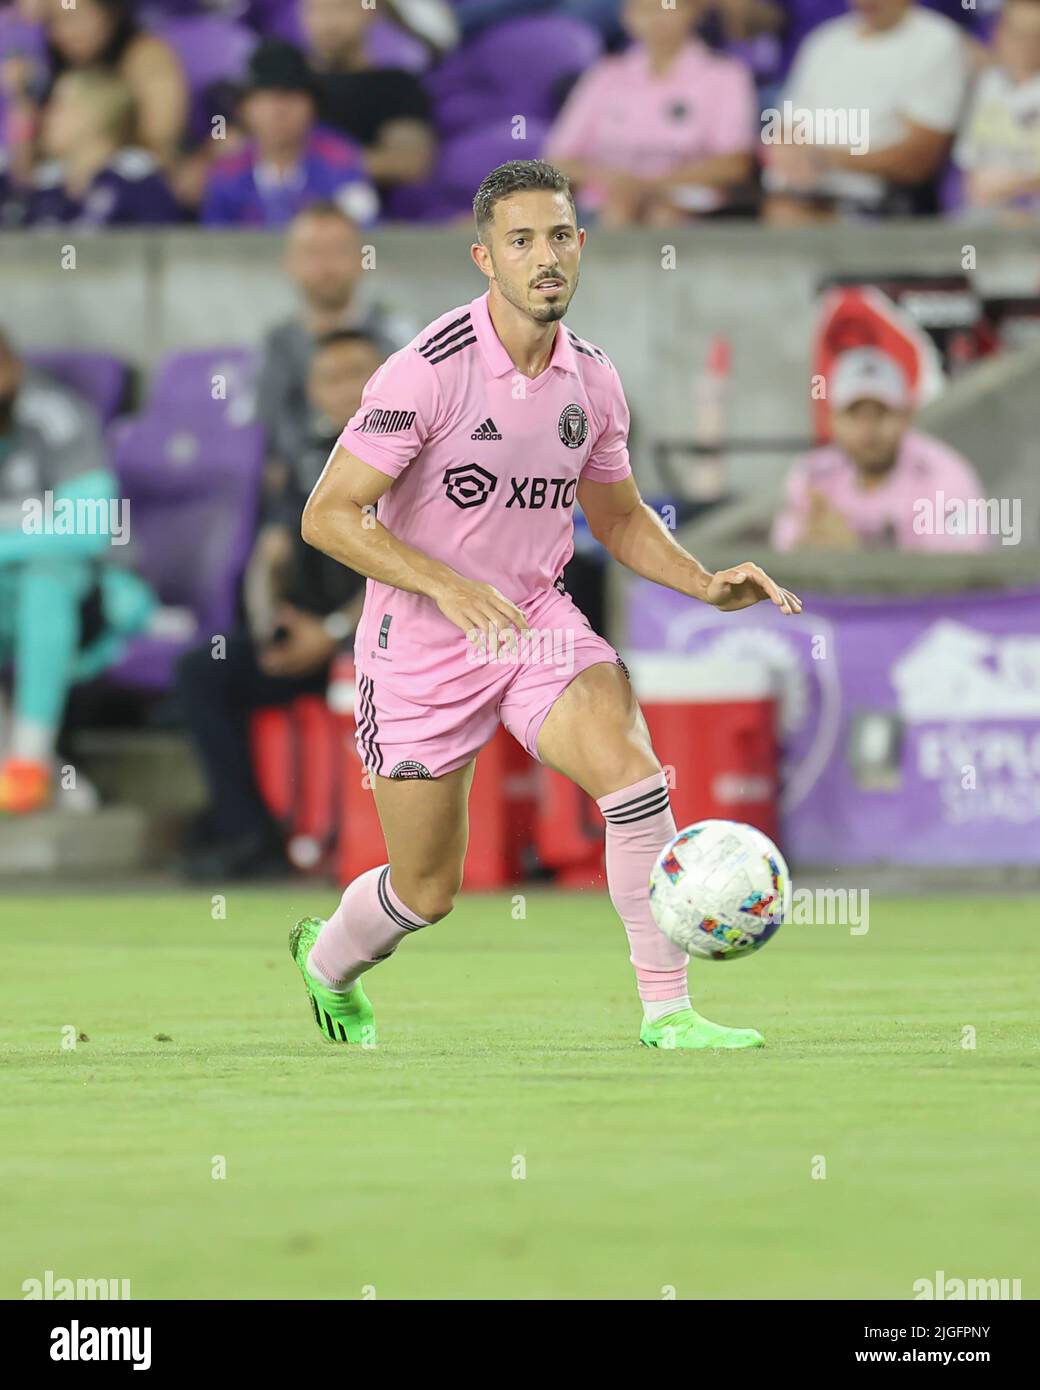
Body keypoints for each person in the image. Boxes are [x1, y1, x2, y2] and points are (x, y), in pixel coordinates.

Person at [292, 159, 801, 1052]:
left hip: (533, 626)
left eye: (560, 236)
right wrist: (448, 585)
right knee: (425, 890)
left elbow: (617, 516)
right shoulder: (426, 372)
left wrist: (704, 580)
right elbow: (327, 516)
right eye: (521, 241)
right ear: (485, 258)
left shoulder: (594, 382)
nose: (545, 257)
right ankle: (327, 964)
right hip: (416, 646)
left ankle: (669, 1014)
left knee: (634, 776)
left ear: (581, 246)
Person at [176, 329, 380, 882]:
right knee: (204, 673)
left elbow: (411, 570)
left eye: (358, 372)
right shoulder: (307, 464)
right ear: (312, 394)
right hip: (312, 644)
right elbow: (269, 558)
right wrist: (273, 628)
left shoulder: (416, 459)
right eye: (330, 379)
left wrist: (335, 633)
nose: (346, 390)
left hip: (389, 648)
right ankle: (248, 833)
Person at [0, 331, 156, 814]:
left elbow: (89, 528)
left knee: (46, 573)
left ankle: (28, 760)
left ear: (10, 365)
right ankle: (36, 766)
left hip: (92, 602)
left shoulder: (57, 418)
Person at [256, 201, 414, 528]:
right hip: (297, 506)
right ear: (290, 264)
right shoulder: (277, 346)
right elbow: (264, 438)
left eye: (338, 251)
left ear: (361, 259)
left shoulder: (398, 341)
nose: (325, 266)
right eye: (312, 253)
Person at [545, 0, 756, 224]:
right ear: (627, 17)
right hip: (607, 203)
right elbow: (558, 160)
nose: (656, 19)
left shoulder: (725, 76)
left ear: (694, 12)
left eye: (668, 8)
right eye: (645, 10)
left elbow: (734, 164)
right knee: (619, 209)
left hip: (690, 206)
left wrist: (651, 186)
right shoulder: (605, 75)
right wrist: (614, 181)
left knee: (662, 214)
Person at [762, 0, 970, 222]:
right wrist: (791, 157)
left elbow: (918, 161)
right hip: (793, 195)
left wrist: (827, 159)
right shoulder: (825, 39)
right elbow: (785, 127)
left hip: (877, 207)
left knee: (786, 218)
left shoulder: (937, 41)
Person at [771, 348, 991, 552]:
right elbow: (781, 549)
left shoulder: (944, 475)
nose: (868, 429)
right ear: (833, 420)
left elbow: (960, 571)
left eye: (881, 413)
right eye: (854, 414)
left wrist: (856, 554)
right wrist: (806, 540)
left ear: (906, 416)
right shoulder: (814, 474)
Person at [202, 39, 378, 229]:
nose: (279, 110)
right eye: (265, 97)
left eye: (291, 96)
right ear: (244, 109)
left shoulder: (341, 161)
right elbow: (214, 247)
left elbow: (365, 234)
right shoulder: (228, 173)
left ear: (313, 106)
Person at [10, 69, 181, 226]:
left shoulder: (137, 183)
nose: (46, 116)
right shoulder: (47, 186)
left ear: (96, 115)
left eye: (58, 106)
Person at [298, 0, 437, 194]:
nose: (327, 22)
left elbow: (411, 162)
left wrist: (322, 163)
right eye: (316, 10)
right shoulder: (288, 85)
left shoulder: (395, 85)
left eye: (341, 8)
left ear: (370, 11)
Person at [954, 0, 1040, 221]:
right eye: (1017, 34)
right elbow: (967, 165)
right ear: (998, 34)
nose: (1026, 45)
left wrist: (1015, 186)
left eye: (1035, 36)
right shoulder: (985, 85)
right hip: (980, 211)